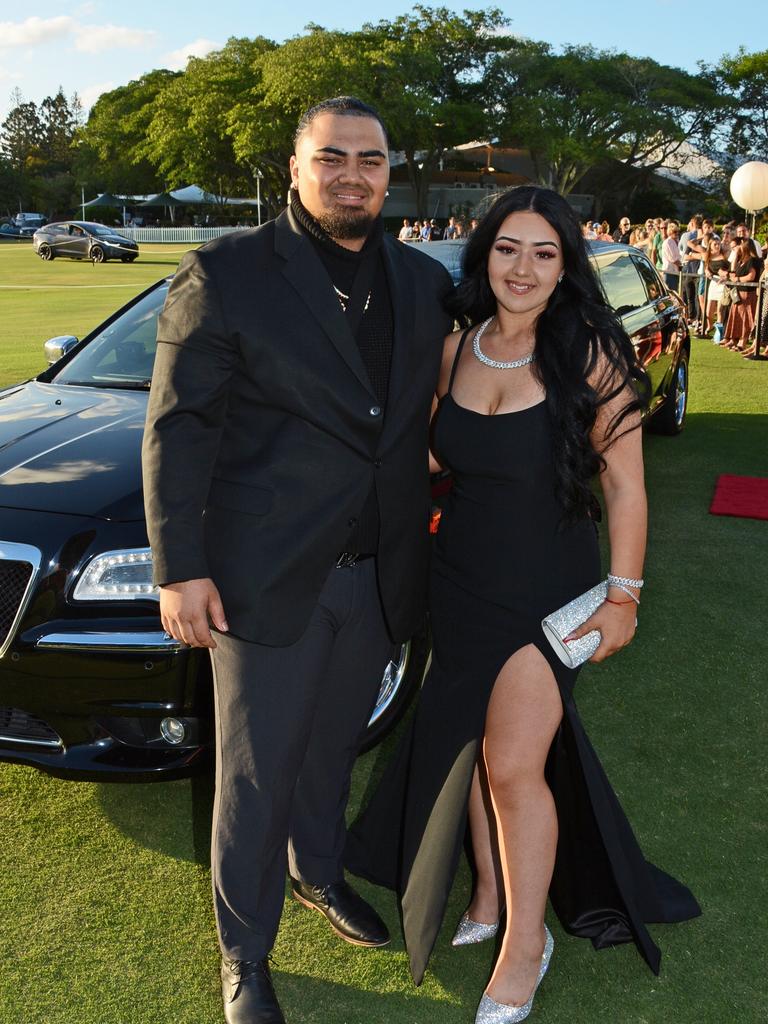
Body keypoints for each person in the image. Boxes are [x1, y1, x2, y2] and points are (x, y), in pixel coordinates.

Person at [346, 185, 700, 1023]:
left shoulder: (593, 359)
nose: (525, 267)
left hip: (554, 592)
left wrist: (625, 597)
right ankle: (491, 899)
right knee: (472, 746)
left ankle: (524, 944)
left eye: (545, 253)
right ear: (485, 254)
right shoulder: (457, 347)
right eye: (509, 248)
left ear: (566, 266)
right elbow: (420, 457)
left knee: (512, 765)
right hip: (459, 581)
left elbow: (627, 492)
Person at [142, 95, 452, 1024]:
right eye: (332, 158)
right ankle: (244, 956)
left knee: (331, 748)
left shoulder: (421, 278)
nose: (352, 175)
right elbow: (178, 427)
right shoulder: (227, 271)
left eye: (371, 159)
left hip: (380, 566)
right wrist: (176, 567)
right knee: (253, 771)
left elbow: (499, 340)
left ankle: (318, 872)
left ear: (390, 172)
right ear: (295, 167)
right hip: (261, 575)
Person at [724, 237, 762, 353]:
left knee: (746, 320)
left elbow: (751, 276)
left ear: (745, 247)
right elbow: (733, 270)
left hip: (748, 294)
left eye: (739, 246)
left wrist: (738, 279)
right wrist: (735, 256)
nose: (736, 249)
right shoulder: (742, 260)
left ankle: (743, 342)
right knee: (737, 319)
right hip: (738, 295)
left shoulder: (753, 260)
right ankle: (736, 340)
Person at [661, 221, 681, 291]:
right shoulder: (667, 242)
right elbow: (673, 259)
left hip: (676, 272)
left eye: (678, 231)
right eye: (675, 232)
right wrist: (682, 266)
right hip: (669, 272)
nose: (677, 233)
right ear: (670, 232)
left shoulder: (678, 241)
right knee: (671, 294)